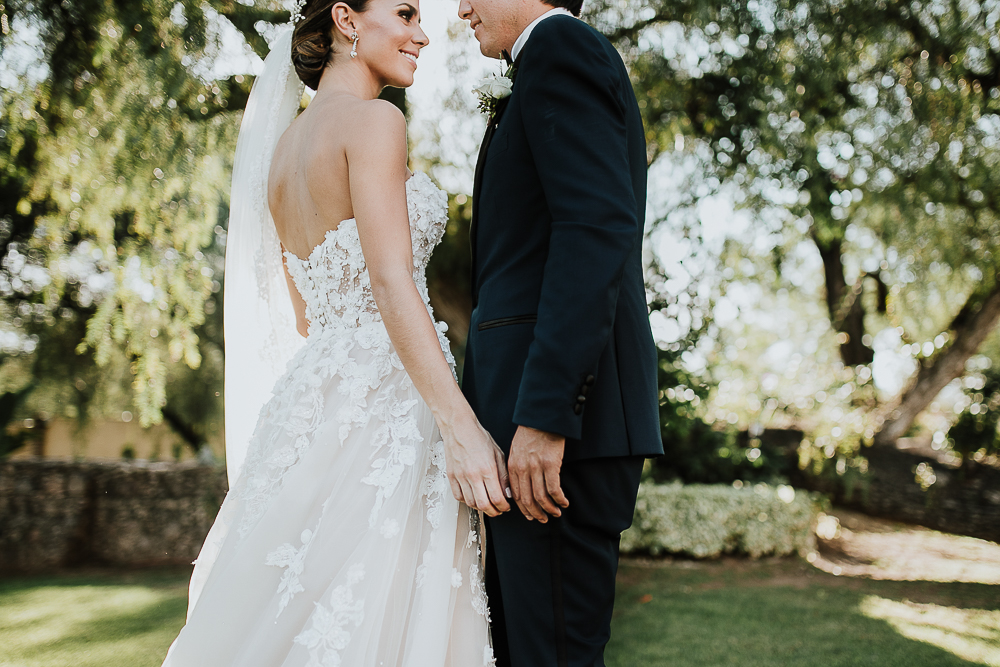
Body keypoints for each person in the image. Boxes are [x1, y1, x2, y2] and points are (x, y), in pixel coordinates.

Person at [161, 1, 510, 664]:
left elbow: (306, 314)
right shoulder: (376, 122)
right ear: (347, 20)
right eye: (405, 13)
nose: (423, 33)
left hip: (312, 400)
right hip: (392, 400)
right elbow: (389, 279)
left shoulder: (283, 151)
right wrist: (460, 426)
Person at [457, 0, 664, 665]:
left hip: (551, 438)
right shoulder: (544, 63)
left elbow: (595, 228)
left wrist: (547, 416)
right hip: (528, 429)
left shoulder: (561, 48)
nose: (460, 8)